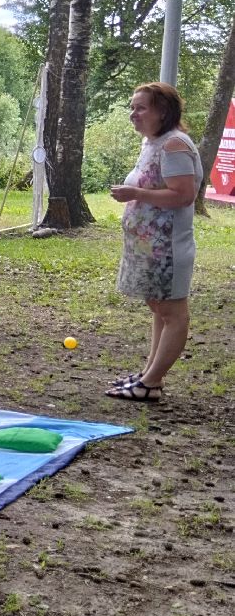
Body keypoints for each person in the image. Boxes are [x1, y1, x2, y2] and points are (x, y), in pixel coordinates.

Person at [108, 83, 200, 403]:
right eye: (132, 107)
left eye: (141, 108)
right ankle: (149, 374)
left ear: (163, 111)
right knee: (159, 309)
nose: (133, 114)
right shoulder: (153, 142)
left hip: (168, 249)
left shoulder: (174, 145)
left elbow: (183, 195)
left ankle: (151, 382)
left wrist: (135, 193)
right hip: (149, 247)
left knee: (173, 312)